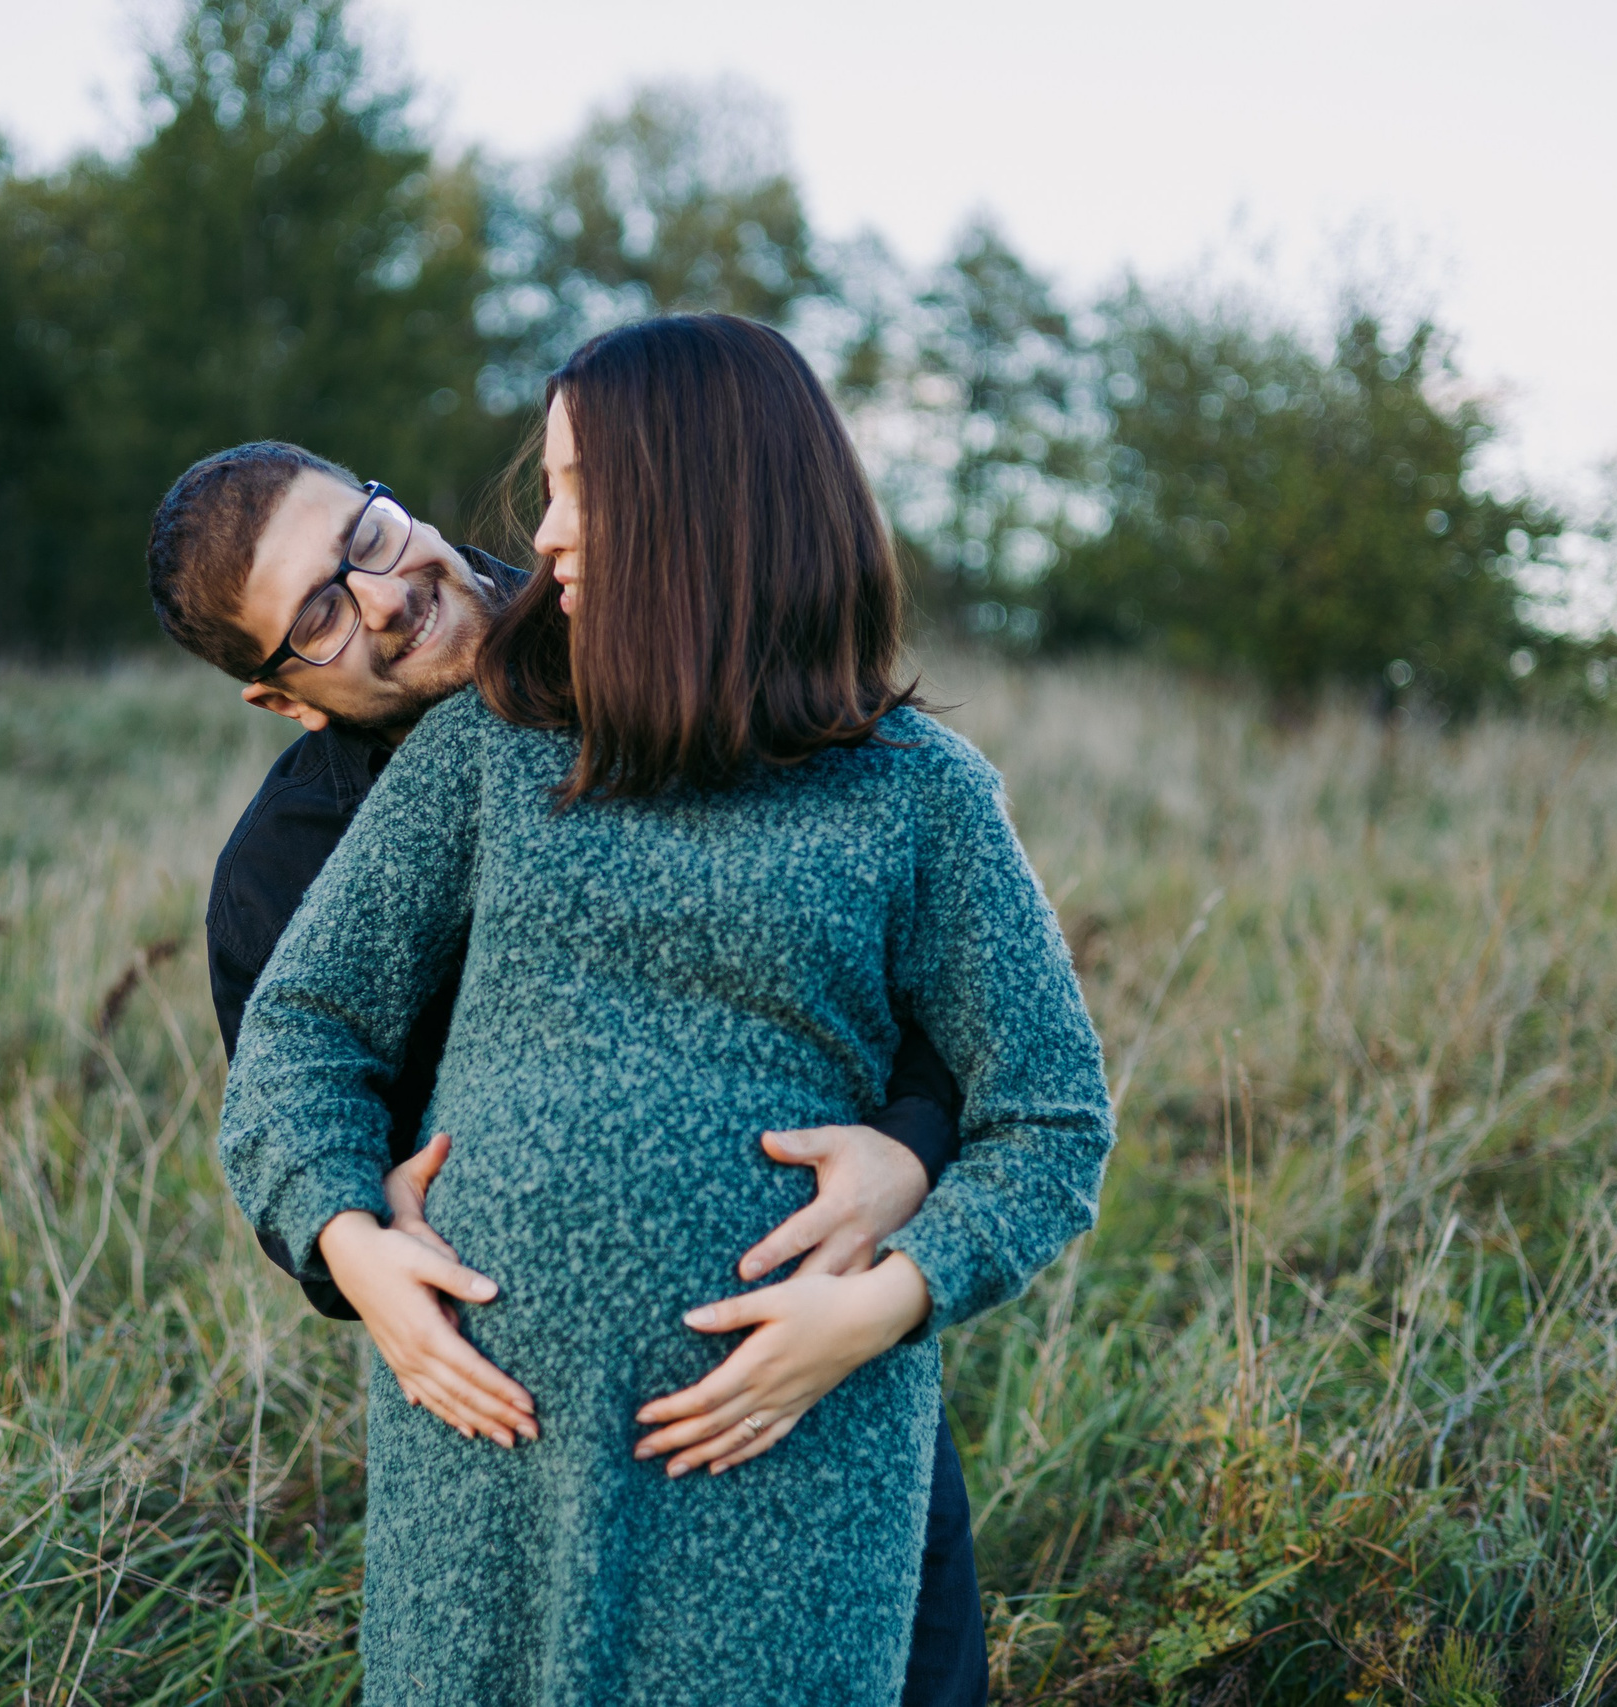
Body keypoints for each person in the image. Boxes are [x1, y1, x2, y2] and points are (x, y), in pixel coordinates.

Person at [210, 314, 1114, 1705]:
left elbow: (1050, 1115)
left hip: (790, 1444)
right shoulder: (485, 757)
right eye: (315, 615)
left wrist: (887, 1300)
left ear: (702, 507)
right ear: (281, 687)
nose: (542, 537)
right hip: (489, 1462)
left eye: (580, 489)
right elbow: (300, 1034)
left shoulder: (916, 792)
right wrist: (352, 1241)